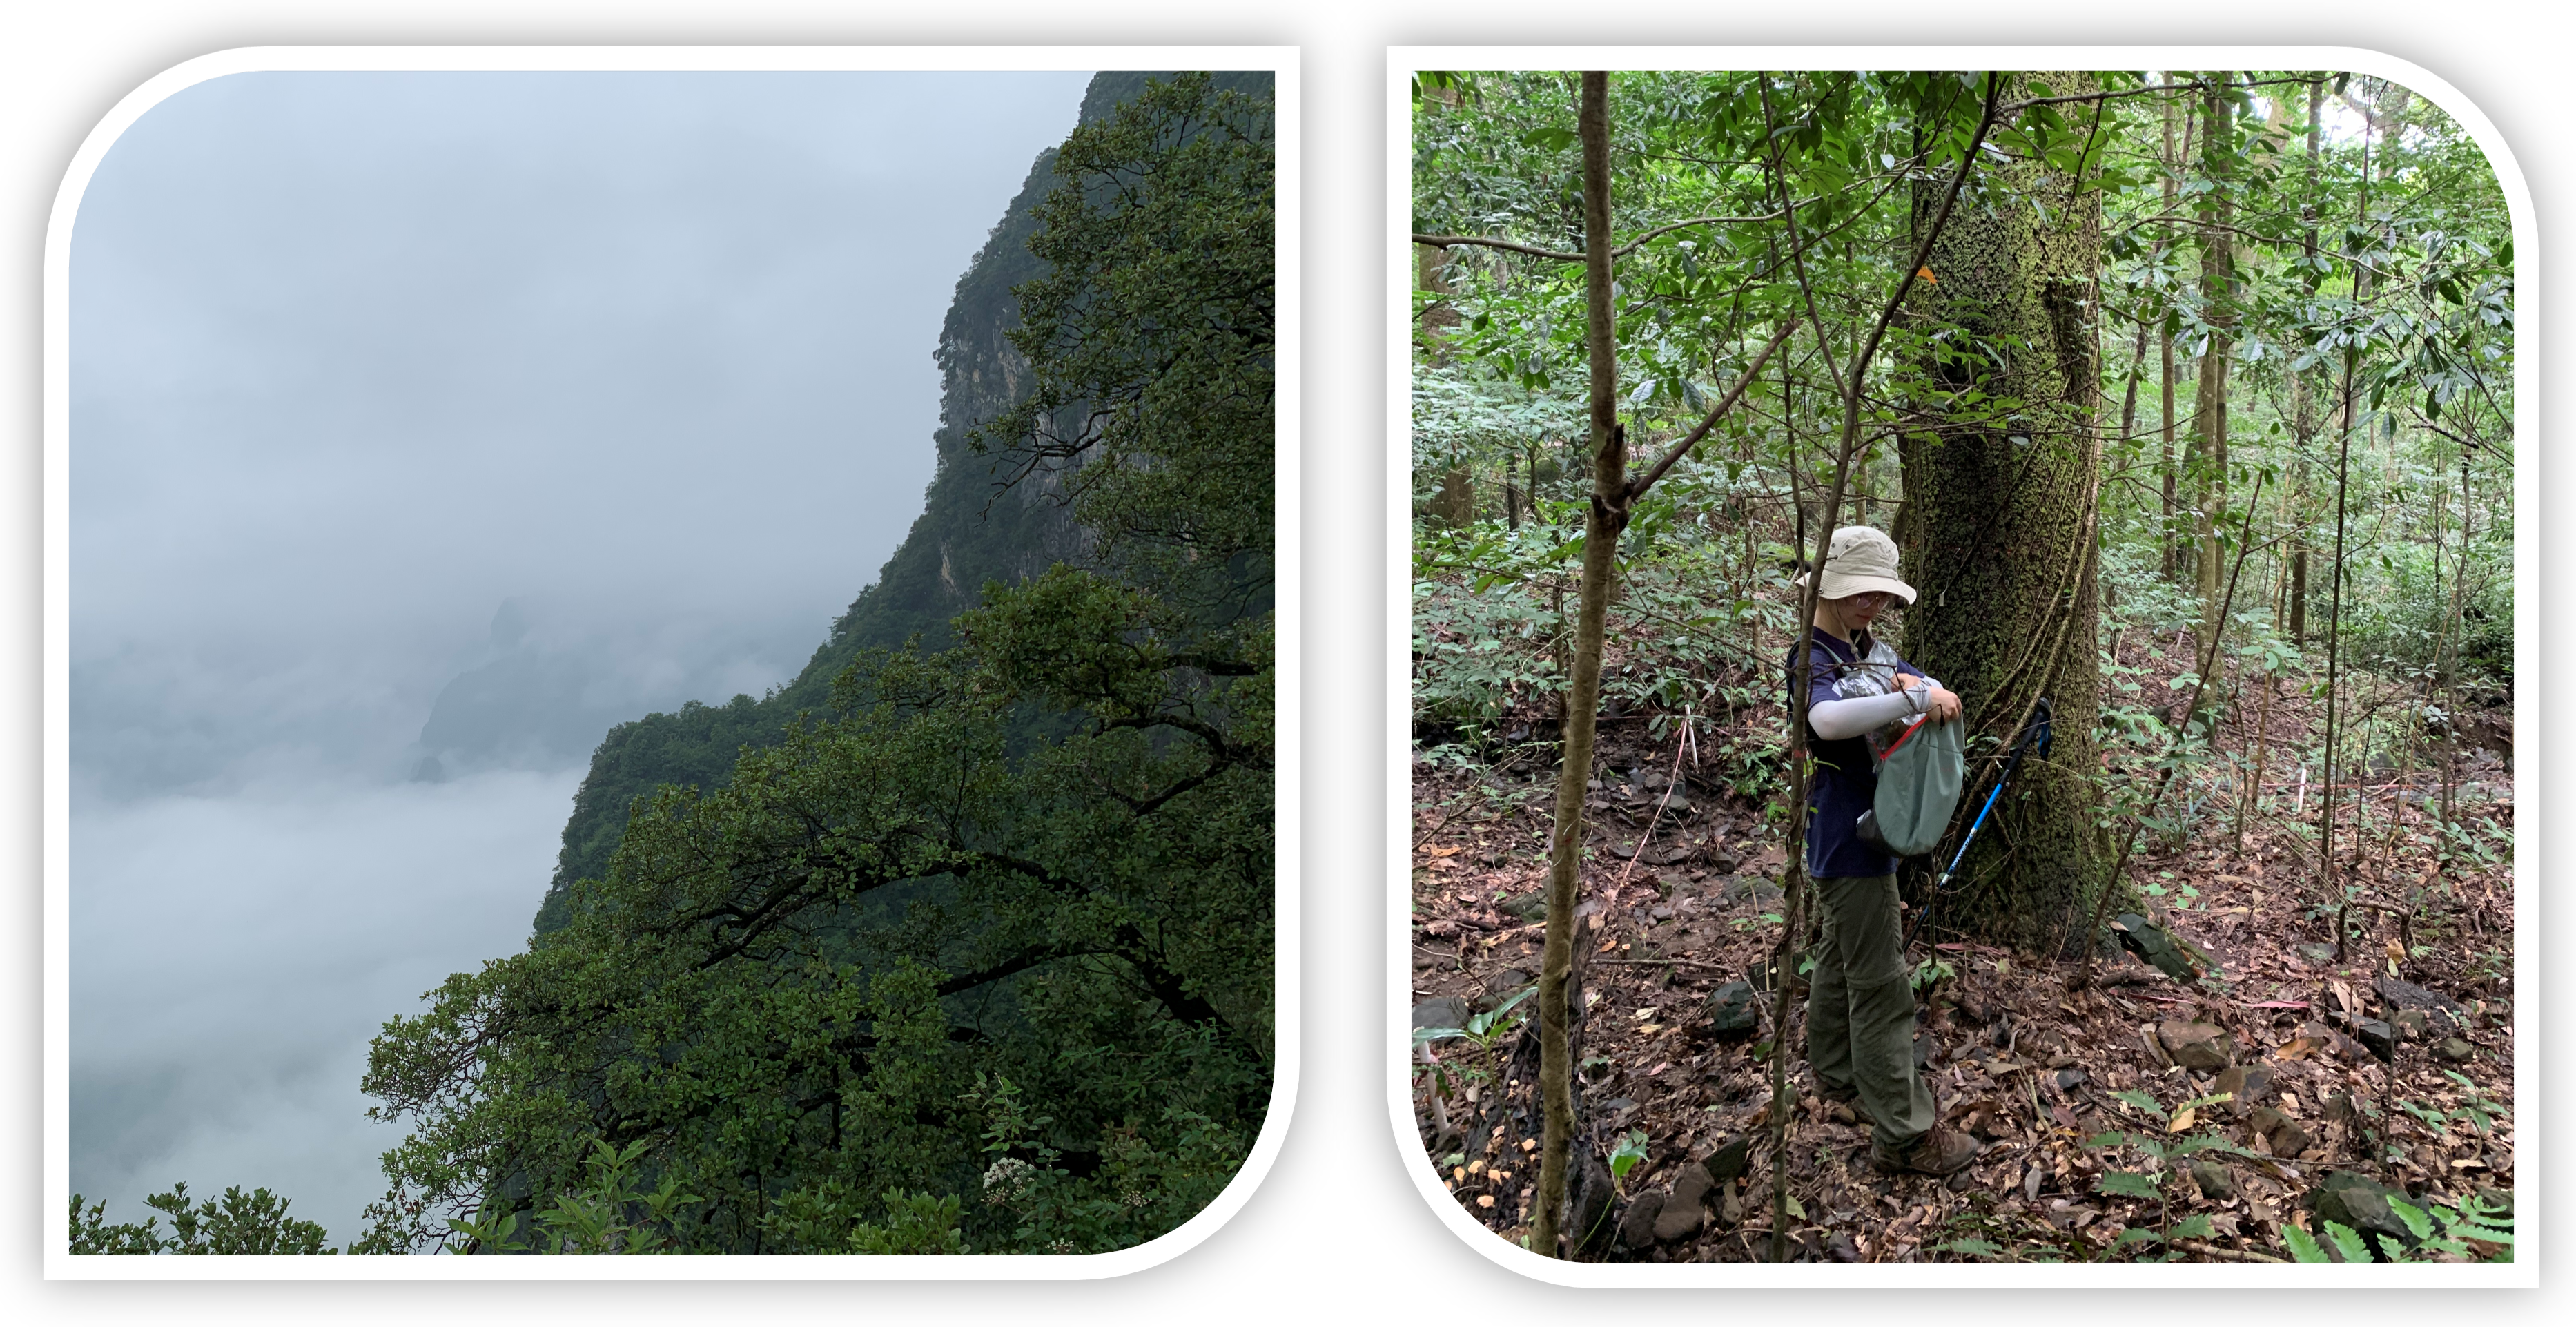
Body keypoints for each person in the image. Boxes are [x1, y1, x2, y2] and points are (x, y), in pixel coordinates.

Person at [1784, 525, 1979, 1178]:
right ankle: (1903, 1133)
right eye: (1861, 592)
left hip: (1863, 834)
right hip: (1848, 838)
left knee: (1842, 962)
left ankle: (1837, 1076)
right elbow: (1827, 721)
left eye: (1880, 595)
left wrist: (1915, 684)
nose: (1873, 604)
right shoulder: (1811, 656)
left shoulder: (1863, 650)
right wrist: (1915, 696)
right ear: (1833, 588)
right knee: (1882, 987)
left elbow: (1923, 683)